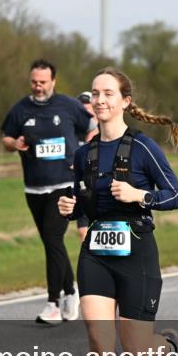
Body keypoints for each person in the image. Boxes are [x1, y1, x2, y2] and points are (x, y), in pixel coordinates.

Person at [57, 68, 178, 356]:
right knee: (99, 337)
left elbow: (176, 196)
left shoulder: (144, 147)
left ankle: (170, 348)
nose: (100, 100)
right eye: (96, 93)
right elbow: (81, 199)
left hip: (137, 253)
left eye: (109, 93)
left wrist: (140, 196)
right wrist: (70, 207)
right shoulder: (84, 154)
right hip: (96, 252)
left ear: (125, 102)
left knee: (137, 349)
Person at [1, 59, 92, 324]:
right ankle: (71, 290)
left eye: (43, 82)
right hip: (33, 187)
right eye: (34, 82)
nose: (38, 87)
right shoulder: (20, 109)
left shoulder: (68, 106)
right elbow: (6, 137)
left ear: (53, 81)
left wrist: (86, 154)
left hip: (62, 184)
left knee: (53, 239)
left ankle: (53, 303)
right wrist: (14, 142)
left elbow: (92, 128)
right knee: (52, 243)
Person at [76, 91, 99, 243]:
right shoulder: (73, 133)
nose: (87, 115)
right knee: (83, 232)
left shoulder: (106, 131)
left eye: (89, 110)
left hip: (100, 188)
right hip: (82, 187)